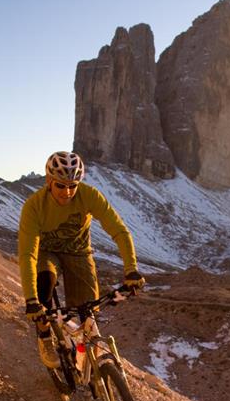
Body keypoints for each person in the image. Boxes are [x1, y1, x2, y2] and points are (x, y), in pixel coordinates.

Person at [18, 151, 145, 368]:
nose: (67, 192)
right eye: (60, 185)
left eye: (73, 185)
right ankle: (45, 335)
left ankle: (89, 365)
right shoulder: (34, 206)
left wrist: (131, 270)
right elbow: (28, 254)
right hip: (46, 252)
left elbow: (119, 231)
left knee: (87, 313)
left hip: (79, 253)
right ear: (49, 181)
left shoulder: (89, 196)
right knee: (45, 282)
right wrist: (31, 301)